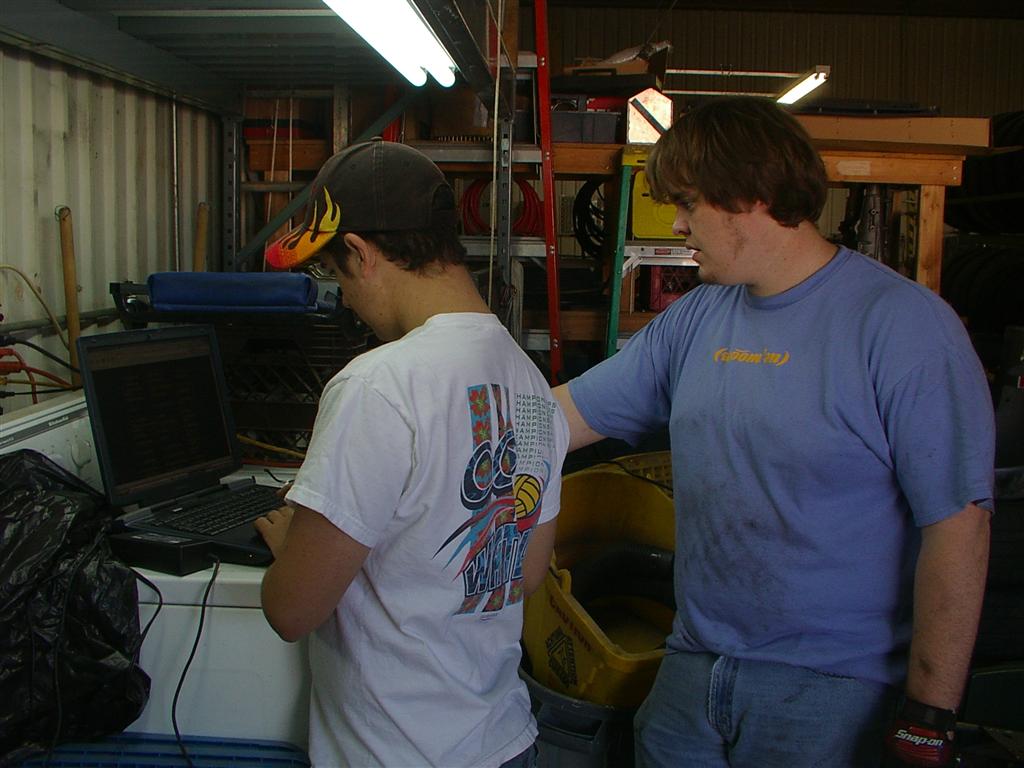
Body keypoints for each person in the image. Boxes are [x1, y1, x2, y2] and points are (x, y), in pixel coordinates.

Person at [553, 97, 995, 768]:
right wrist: (431, 423)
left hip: (833, 687)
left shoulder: (903, 327)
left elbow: (958, 527)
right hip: (693, 668)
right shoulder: (697, 317)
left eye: (689, 203)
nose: (677, 224)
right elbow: (564, 417)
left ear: (749, 196)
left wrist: (929, 714)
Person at [256, 138, 569, 768]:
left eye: (336, 274)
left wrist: (293, 546)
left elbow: (292, 611)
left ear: (361, 253)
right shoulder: (529, 380)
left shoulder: (377, 386)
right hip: (504, 741)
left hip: (400, 751)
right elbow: (527, 570)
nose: (344, 299)